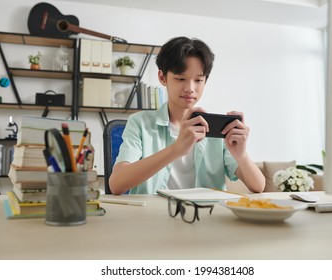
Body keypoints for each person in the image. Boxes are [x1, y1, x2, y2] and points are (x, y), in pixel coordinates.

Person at [109, 36, 265, 194]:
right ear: (162, 77)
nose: (190, 88)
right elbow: (116, 185)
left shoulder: (217, 129)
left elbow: (258, 186)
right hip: (155, 216)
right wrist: (177, 149)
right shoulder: (139, 123)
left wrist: (241, 156)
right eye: (180, 78)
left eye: (198, 80)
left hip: (206, 216)